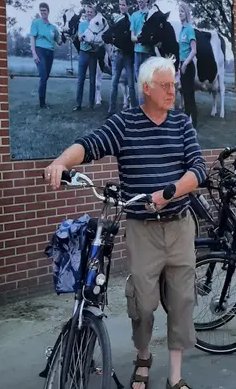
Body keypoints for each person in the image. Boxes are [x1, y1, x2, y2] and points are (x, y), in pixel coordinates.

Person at [44, 56, 206, 389]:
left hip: (179, 225)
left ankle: (175, 377)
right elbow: (89, 145)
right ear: (146, 88)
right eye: (164, 85)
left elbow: (198, 170)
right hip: (142, 228)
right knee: (142, 304)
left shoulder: (182, 124)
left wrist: (171, 191)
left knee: (181, 302)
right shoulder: (126, 123)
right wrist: (61, 160)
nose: (171, 91)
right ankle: (143, 356)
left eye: (173, 84)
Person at [108, 0, 136, 116]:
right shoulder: (116, 19)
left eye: (123, 5)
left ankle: (134, 110)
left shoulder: (131, 20)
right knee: (114, 82)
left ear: (128, 6)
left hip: (128, 55)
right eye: (120, 4)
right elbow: (111, 35)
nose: (121, 7)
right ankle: (111, 109)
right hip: (117, 53)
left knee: (131, 83)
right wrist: (111, 50)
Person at [29, 2, 61, 109]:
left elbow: (59, 41)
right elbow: (32, 38)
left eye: (45, 10)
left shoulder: (53, 27)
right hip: (40, 50)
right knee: (43, 76)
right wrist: (34, 53)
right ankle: (42, 103)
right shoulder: (36, 23)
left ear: (48, 12)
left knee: (46, 76)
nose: (43, 12)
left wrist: (66, 36)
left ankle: (43, 100)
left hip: (50, 52)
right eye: (41, 10)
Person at [74, 5, 100, 111]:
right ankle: (78, 104)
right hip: (83, 53)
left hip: (93, 54)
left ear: (94, 14)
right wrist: (83, 37)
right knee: (81, 80)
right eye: (88, 12)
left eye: (91, 12)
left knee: (92, 80)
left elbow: (98, 39)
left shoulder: (97, 25)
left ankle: (91, 104)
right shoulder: (82, 24)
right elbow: (80, 37)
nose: (89, 13)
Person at [130, 0, 153, 105]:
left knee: (149, 83)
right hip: (138, 53)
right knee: (140, 82)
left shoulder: (151, 14)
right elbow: (132, 37)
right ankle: (141, 110)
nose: (139, 0)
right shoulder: (134, 16)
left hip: (149, 53)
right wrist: (139, 39)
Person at [178, 2, 198, 127]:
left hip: (189, 66)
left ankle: (193, 123)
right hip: (182, 65)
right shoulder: (181, 30)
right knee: (185, 94)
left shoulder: (189, 29)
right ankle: (187, 122)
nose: (180, 14)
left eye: (182, 11)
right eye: (179, 11)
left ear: (186, 13)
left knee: (190, 95)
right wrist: (180, 65)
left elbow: (194, 50)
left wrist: (185, 64)